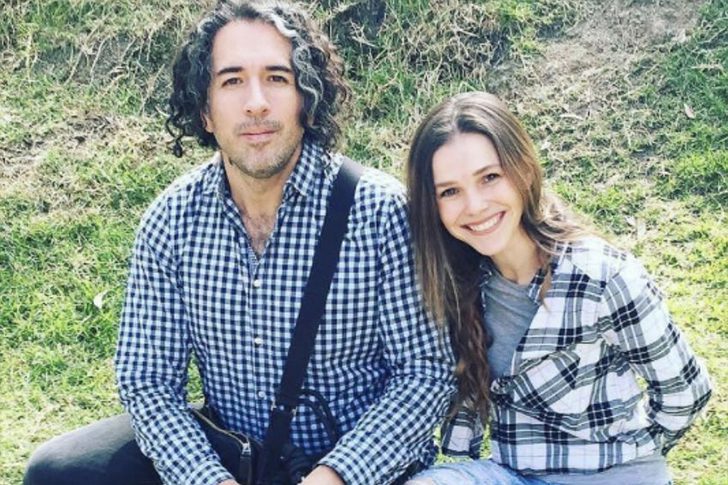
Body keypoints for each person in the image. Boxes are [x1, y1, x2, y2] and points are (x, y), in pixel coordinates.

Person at [23, 1, 455, 484]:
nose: (256, 103)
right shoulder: (173, 220)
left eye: (277, 77)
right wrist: (208, 478)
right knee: (58, 471)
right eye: (232, 81)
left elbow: (425, 374)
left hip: (358, 468)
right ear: (205, 111)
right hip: (235, 460)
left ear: (306, 98)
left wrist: (335, 476)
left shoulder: (379, 212)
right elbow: (148, 381)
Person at [403, 92, 712, 485]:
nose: (475, 205)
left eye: (490, 177)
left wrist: (634, 458)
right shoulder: (459, 283)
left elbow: (686, 392)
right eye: (450, 191)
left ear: (523, 169)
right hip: (518, 475)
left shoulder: (601, 276)